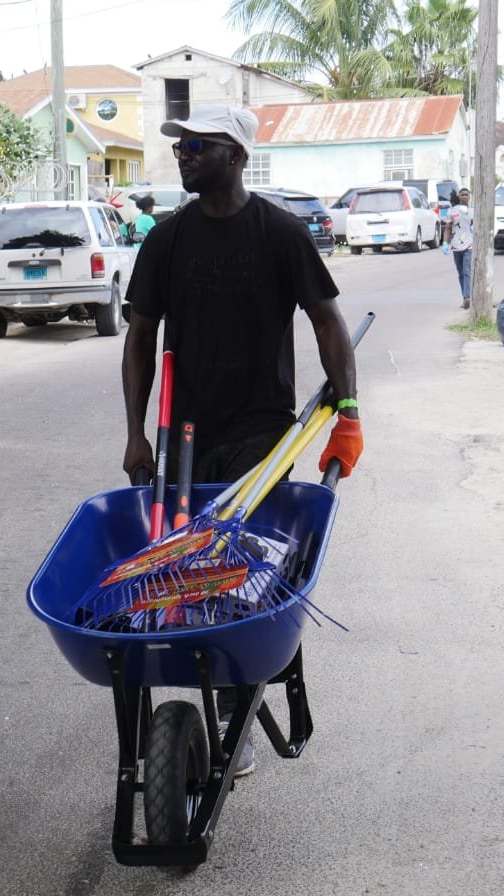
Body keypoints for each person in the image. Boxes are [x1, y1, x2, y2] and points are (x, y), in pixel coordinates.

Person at [121, 104, 363, 777]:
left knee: (238, 577)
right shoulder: (167, 240)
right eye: (180, 146)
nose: (184, 154)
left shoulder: (280, 233)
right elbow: (141, 336)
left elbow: (327, 323)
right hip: (182, 435)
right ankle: (201, 695)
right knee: (187, 569)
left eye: (197, 144)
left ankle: (233, 709)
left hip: (261, 434)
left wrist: (346, 412)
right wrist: (135, 433)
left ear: (236, 154)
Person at [446, 187, 474, 309]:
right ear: (458, 196)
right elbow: (447, 228)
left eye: (466, 195)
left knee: (467, 271)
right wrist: (445, 243)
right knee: (460, 273)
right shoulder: (453, 211)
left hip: (469, 245)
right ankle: (465, 297)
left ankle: (467, 297)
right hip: (456, 246)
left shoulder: (473, 211)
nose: (464, 196)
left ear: (469, 197)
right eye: (462, 194)